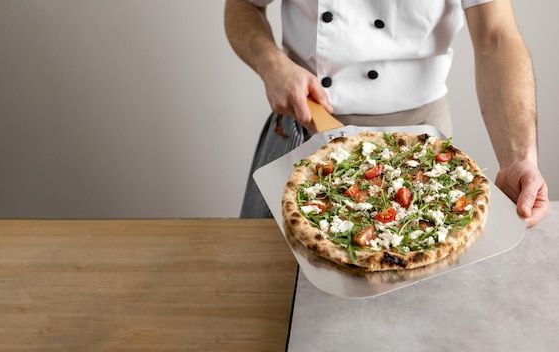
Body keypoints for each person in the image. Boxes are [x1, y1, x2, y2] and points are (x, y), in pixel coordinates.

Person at [224, 0, 550, 227]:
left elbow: (496, 37)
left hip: (422, 143)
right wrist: (271, 64)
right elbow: (243, 4)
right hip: (307, 122)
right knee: (276, 280)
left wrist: (518, 157)